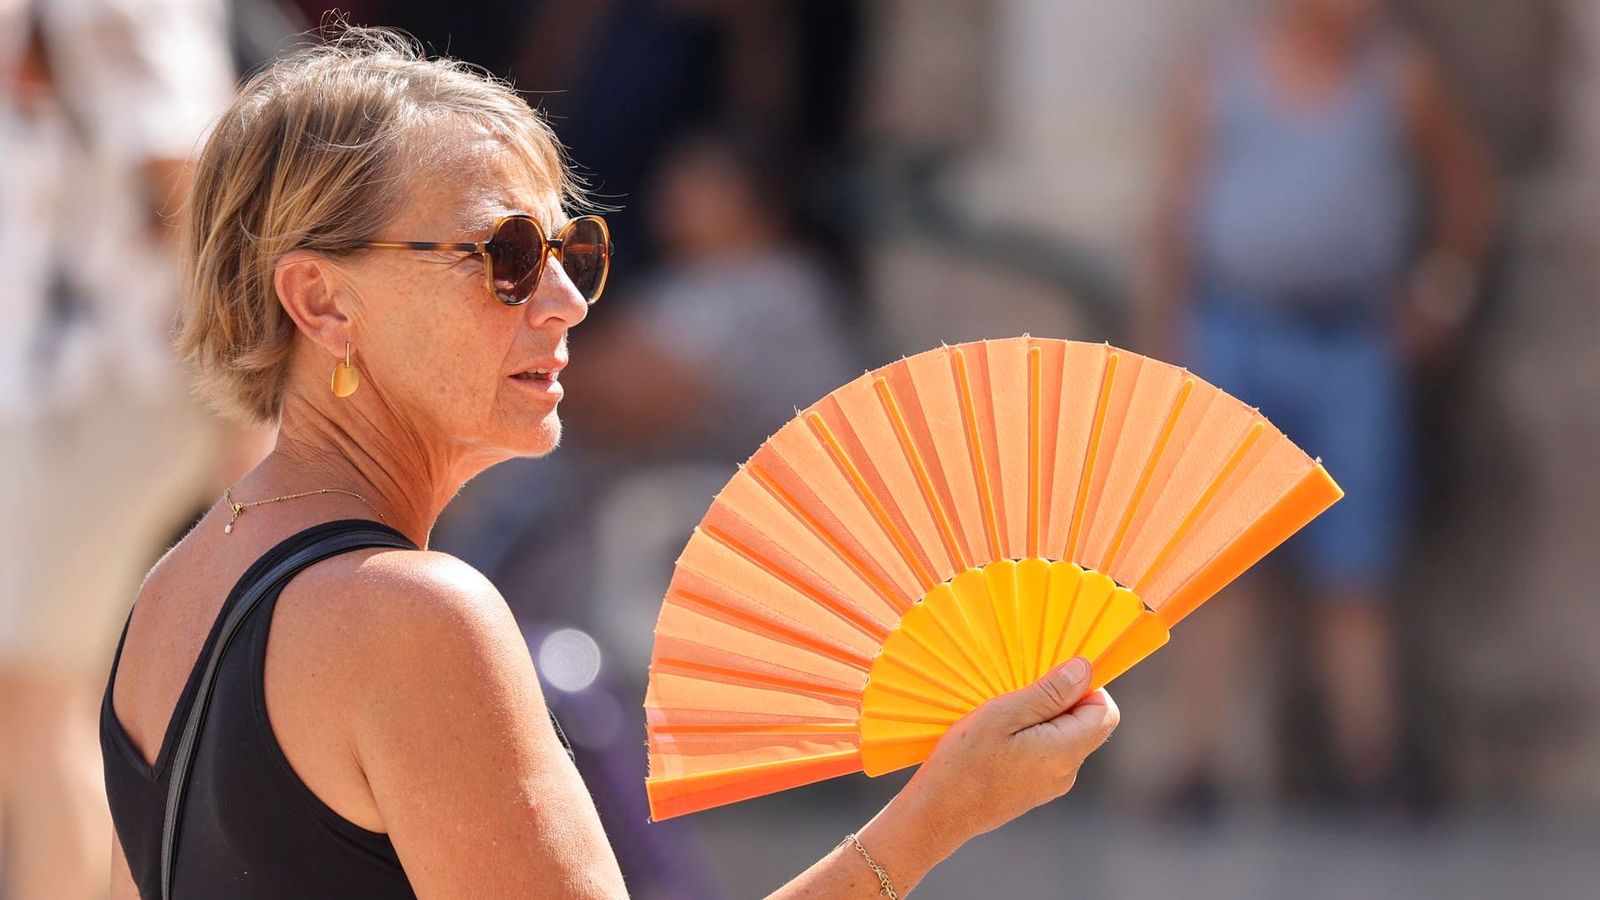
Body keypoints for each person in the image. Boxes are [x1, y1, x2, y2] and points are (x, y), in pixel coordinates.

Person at [100, 27, 1121, 897]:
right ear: (322, 302)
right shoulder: (415, 616)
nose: (567, 300)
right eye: (501, 256)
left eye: (569, 251)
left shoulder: (171, 588)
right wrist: (935, 818)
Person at [1140, 0, 1492, 811]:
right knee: (1215, 559)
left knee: (1356, 562)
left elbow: (1465, 185)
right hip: (1237, 327)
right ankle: (1195, 757)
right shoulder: (1224, 71)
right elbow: (1177, 212)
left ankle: (1369, 758)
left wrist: (1440, 296)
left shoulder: (1399, 76)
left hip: (1350, 338)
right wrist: (1171, 333)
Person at [0, 2, 245, 897]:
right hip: (48, 389)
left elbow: (193, 183)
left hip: (117, 382)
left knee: (31, 696)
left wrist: (246, 409)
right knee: (49, 697)